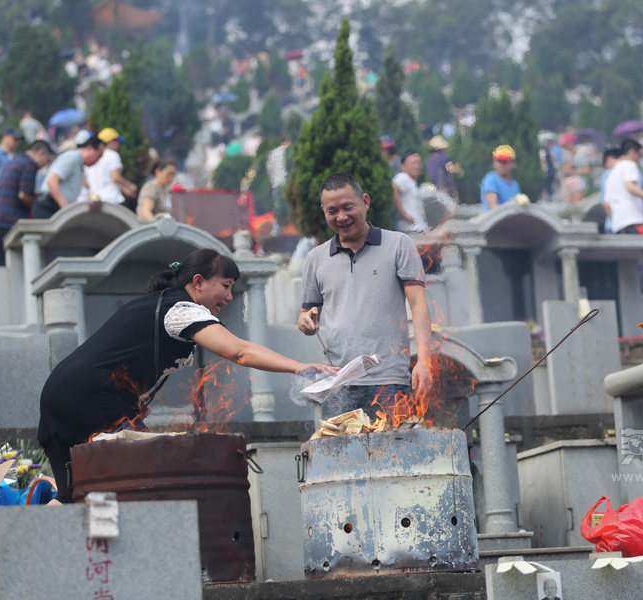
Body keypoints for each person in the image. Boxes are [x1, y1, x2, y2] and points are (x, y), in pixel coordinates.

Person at [38, 248, 335, 505]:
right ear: (198, 282)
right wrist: (299, 367)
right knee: (144, 477)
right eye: (226, 286)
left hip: (59, 394)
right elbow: (239, 352)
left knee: (71, 495)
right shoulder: (181, 309)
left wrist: (134, 405)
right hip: (89, 397)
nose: (230, 297)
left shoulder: (161, 305)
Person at [297, 173, 432, 420]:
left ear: (365, 202)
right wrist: (306, 323)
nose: (341, 217)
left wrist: (424, 361)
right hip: (337, 383)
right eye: (332, 211)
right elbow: (306, 315)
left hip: (390, 380)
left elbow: (418, 304)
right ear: (323, 211)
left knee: (393, 454)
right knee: (341, 456)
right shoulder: (316, 258)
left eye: (348, 207)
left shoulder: (399, 244)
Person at [0, 140, 54, 264]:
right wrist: (37, 204)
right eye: (47, 160)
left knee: (3, 264)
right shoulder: (30, 164)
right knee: (16, 263)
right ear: (40, 153)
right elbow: (24, 195)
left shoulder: (14, 162)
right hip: (11, 220)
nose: (45, 165)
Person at [31, 130, 105, 219]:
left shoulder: (79, 164)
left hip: (55, 206)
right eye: (99, 155)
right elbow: (52, 181)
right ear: (89, 148)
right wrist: (66, 211)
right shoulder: (72, 157)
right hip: (48, 206)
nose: (98, 160)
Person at [603, 138, 643, 234]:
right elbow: (630, 187)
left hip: (618, 225)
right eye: (639, 155)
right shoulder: (629, 165)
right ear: (632, 152)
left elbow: (606, 204)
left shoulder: (611, 174)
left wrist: (616, 219)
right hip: (633, 220)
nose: (639, 159)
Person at [84, 127, 137, 206]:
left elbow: (85, 181)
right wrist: (130, 186)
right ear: (111, 141)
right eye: (117, 141)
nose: (118, 145)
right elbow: (115, 177)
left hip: (94, 199)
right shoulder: (113, 155)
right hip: (112, 199)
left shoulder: (91, 157)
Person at [392, 151, 427, 233]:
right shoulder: (403, 177)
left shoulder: (411, 181)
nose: (417, 166)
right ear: (403, 166)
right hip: (410, 230)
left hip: (417, 229)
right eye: (413, 163)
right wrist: (403, 213)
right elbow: (393, 187)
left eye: (419, 163)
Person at [480, 145, 520, 211]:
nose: (501, 165)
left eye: (505, 162)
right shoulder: (491, 180)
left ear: (513, 164)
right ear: (494, 163)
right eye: (499, 161)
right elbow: (493, 207)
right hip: (495, 220)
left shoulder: (515, 185)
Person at [426, 135, 462, 201]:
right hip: (446, 188)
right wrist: (459, 171)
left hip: (435, 189)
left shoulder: (430, 158)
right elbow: (451, 169)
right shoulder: (443, 156)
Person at [560, 132, 590, 204]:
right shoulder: (566, 156)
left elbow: (586, 170)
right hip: (568, 183)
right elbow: (565, 170)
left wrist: (573, 171)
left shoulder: (580, 155)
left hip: (578, 182)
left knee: (576, 204)